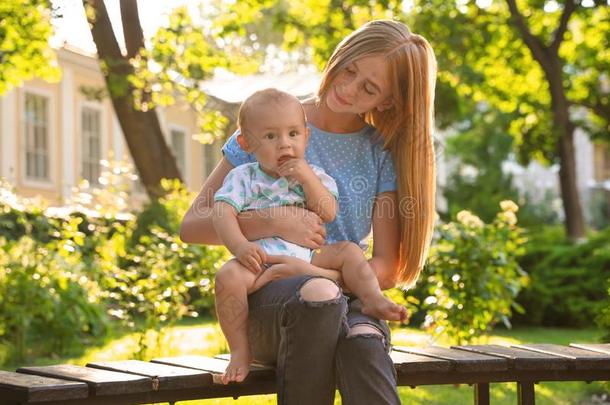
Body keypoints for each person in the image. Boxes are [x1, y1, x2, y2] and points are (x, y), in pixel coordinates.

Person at [180, 19, 437, 405]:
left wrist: (315, 271)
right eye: (348, 70)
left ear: (387, 102)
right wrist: (272, 221)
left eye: (368, 87)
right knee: (319, 297)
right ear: (340, 57)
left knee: (365, 341)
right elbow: (192, 226)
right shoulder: (270, 122)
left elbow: (386, 266)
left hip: (343, 292)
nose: (347, 88)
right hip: (273, 298)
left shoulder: (378, 153)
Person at [212, 88, 408, 384]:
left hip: (310, 255)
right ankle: (240, 351)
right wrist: (239, 247)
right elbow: (221, 212)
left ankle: (371, 299)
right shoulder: (244, 177)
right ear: (246, 143)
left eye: (293, 134)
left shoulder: (314, 175)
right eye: (270, 137)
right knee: (227, 277)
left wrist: (306, 177)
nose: (284, 145)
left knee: (349, 251)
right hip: (261, 259)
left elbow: (328, 211)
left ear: (306, 136)